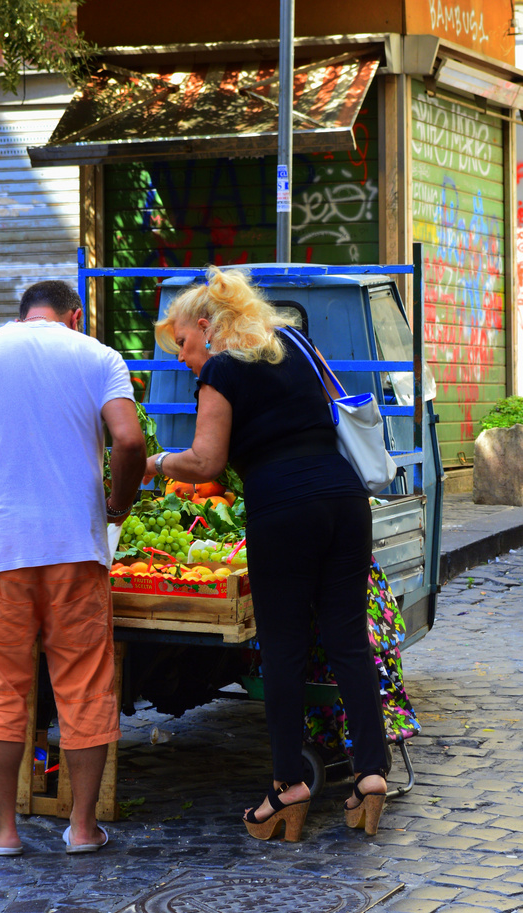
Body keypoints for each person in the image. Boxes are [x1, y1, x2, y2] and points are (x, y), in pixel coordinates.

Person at [145, 267, 392, 841]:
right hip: (345, 498)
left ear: (206, 327)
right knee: (348, 639)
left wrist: (158, 464)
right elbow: (333, 409)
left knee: (283, 647)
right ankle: (371, 775)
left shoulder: (224, 370)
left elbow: (205, 463)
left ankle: (288, 789)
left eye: (182, 343)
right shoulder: (295, 344)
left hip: (284, 509)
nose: (182, 358)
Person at [0, 280, 146, 856]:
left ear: (23, 315)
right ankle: (81, 828)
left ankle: (2, 829)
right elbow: (129, 441)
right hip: (76, 549)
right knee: (84, 685)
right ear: (72, 316)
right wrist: (117, 506)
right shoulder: (99, 356)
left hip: (1, 552)